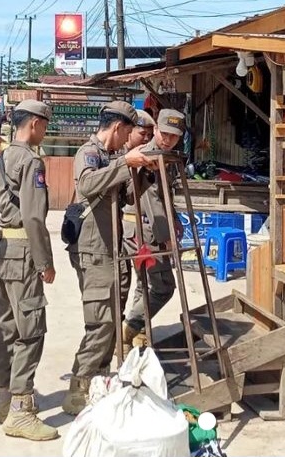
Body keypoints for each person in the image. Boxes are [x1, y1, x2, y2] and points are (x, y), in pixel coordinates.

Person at [0, 100, 58, 442]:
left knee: (6, 327)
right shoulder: (31, 159)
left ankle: (4, 400)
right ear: (33, 124)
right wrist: (44, 261)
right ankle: (21, 410)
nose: (44, 131)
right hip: (22, 254)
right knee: (30, 329)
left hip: (2, 250)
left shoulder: (3, 158)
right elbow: (34, 217)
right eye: (44, 125)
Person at [62, 101, 155, 416]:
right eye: (128, 132)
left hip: (110, 247)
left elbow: (128, 196)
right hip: (92, 248)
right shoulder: (89, 153)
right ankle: (79, 387)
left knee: (113, 319)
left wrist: (143, 172)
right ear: (117, 128)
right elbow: (88, 185)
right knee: (101, 322)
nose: (129, 138)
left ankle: (97, 383)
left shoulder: (113, 157)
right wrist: (123, 163)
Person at [123, 110, 185, 352]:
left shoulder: (163, 156)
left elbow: (165, 196)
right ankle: (131, 327)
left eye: (174, 136)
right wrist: (166, 236)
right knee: (163, 286)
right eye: (165, 134)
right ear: (156, 130)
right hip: (144, 232)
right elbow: (152, 201)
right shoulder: (148, 157)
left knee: (145, 284)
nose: (168, 140)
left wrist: (176, 220)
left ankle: (137, 332)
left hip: (144, 229)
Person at [117, 111, 156, 328]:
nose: (146, 140)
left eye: (150, 135)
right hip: (127, 228)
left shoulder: (145, 157)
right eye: (143, 134)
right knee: (122, 282)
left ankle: (134, 328)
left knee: (143, 281)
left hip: (140, 230)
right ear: (129, 131)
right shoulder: (118, 157)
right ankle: (121, 329)